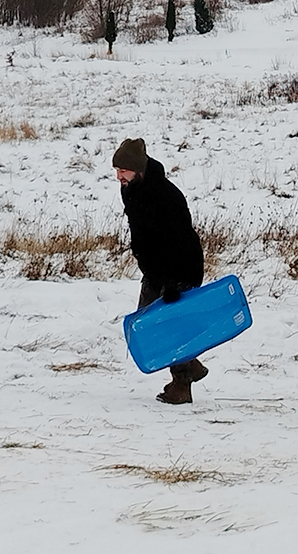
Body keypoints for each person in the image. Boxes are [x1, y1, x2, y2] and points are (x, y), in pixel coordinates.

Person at [112, 138, 208, 404]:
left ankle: (182, 385)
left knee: (166, 324)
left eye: (124, 170)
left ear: (138, 169)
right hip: (155, 269)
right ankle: (191, 364)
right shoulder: (132, 189)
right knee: (149, 321)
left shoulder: (165, 195)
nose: (119, 176)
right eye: (117, 170)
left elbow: (181, 242)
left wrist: (175, 283)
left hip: (180, 268)